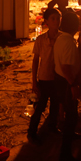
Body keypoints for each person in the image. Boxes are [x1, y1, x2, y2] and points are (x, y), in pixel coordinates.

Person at [28, 9, 62, 144]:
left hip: (58, 78)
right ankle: (32, 132)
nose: (56, 21)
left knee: (55, 104)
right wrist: (34, 82)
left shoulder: (63, 38)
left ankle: (52, 127)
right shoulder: (41, 39)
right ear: (46, 22)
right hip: (44, 78)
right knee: (39, 106)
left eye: (58, 18)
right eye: (53, 18)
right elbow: (36, 60)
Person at [53, 12, 81, 161]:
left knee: (69, 114)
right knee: (72, 117)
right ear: (76, 26)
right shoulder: (68, 42)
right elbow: (66, 67)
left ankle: (70, 137)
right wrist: (73, 85)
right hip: (66, 82)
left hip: (60, 80)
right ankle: (65, 155)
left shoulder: (61, 38)